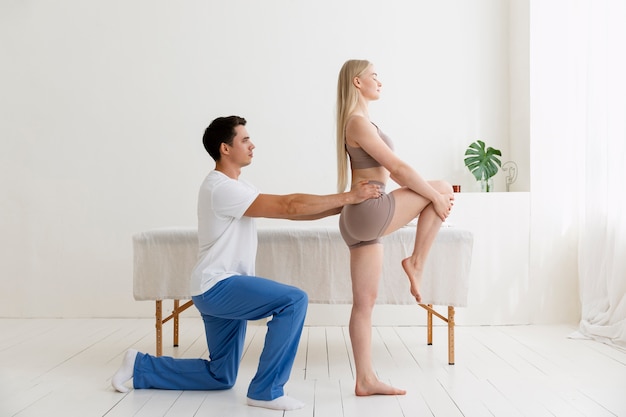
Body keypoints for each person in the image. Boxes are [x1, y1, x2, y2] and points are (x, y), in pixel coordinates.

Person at [111, 115, 381, 411]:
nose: (253, 145)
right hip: (219, 286)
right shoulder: (221, 188)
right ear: (225, 148)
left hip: (214, 288)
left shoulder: (238, 187)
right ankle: (266, 391)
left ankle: (139, 367)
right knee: (293, 301)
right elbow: (288, 205)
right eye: (245, 139)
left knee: (220, 375)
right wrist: (348, 195)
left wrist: (347, 204)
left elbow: (293, 213)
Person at [335, 60, 455, 396]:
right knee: (443, 188)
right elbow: (398, 169)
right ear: (357, 82)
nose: (380, 82)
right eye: (375, 76)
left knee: (364, 303)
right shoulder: (357, 122)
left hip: (357, 219)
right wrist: (435, 196)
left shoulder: (358, 122)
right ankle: (416, 262)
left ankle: (365, 380)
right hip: (369, 210)